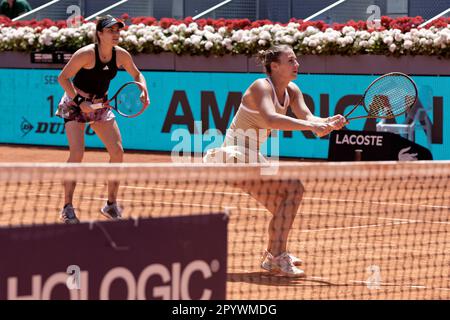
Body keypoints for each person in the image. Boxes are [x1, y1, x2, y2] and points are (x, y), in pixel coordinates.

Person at [203, 45, 346, 277]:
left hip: (251, 157)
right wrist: (312, 126)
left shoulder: (293, 90)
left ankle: (274, 256)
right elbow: (270, 119)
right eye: (290, 60)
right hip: (234, 156)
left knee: (284, 204)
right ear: (274, 66)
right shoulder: (260, 86)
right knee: (294, 188)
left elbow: (309, 118)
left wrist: (328, 121)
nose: (296, 64)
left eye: (296, 60)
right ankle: (277, 255)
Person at [56, 15, 149, 224]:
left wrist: (144, 89)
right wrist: (80, 102)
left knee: (117, 152)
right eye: (110, 31)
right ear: (100, 34)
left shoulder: (121, 55)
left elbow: (137, 74)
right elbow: (62, 78)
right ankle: (67, 207)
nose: (116, 34)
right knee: (77, 153)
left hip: (101, 104)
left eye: (118, 31)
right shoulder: (86, 54)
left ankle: (110, 205)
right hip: (75, 103)